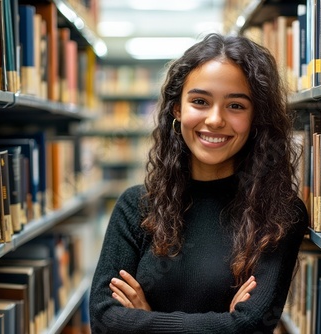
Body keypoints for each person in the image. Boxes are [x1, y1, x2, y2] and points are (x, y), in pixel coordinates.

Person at [89, 33, 309, 333]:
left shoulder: (278, 214)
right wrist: (224, 325)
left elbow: (252, 325)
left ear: (256, 116)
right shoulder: (136, 206)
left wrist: (144, 321)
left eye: (236, 106)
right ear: (177, 109)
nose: (215, 120)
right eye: (200, 101)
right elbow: (103, 319)